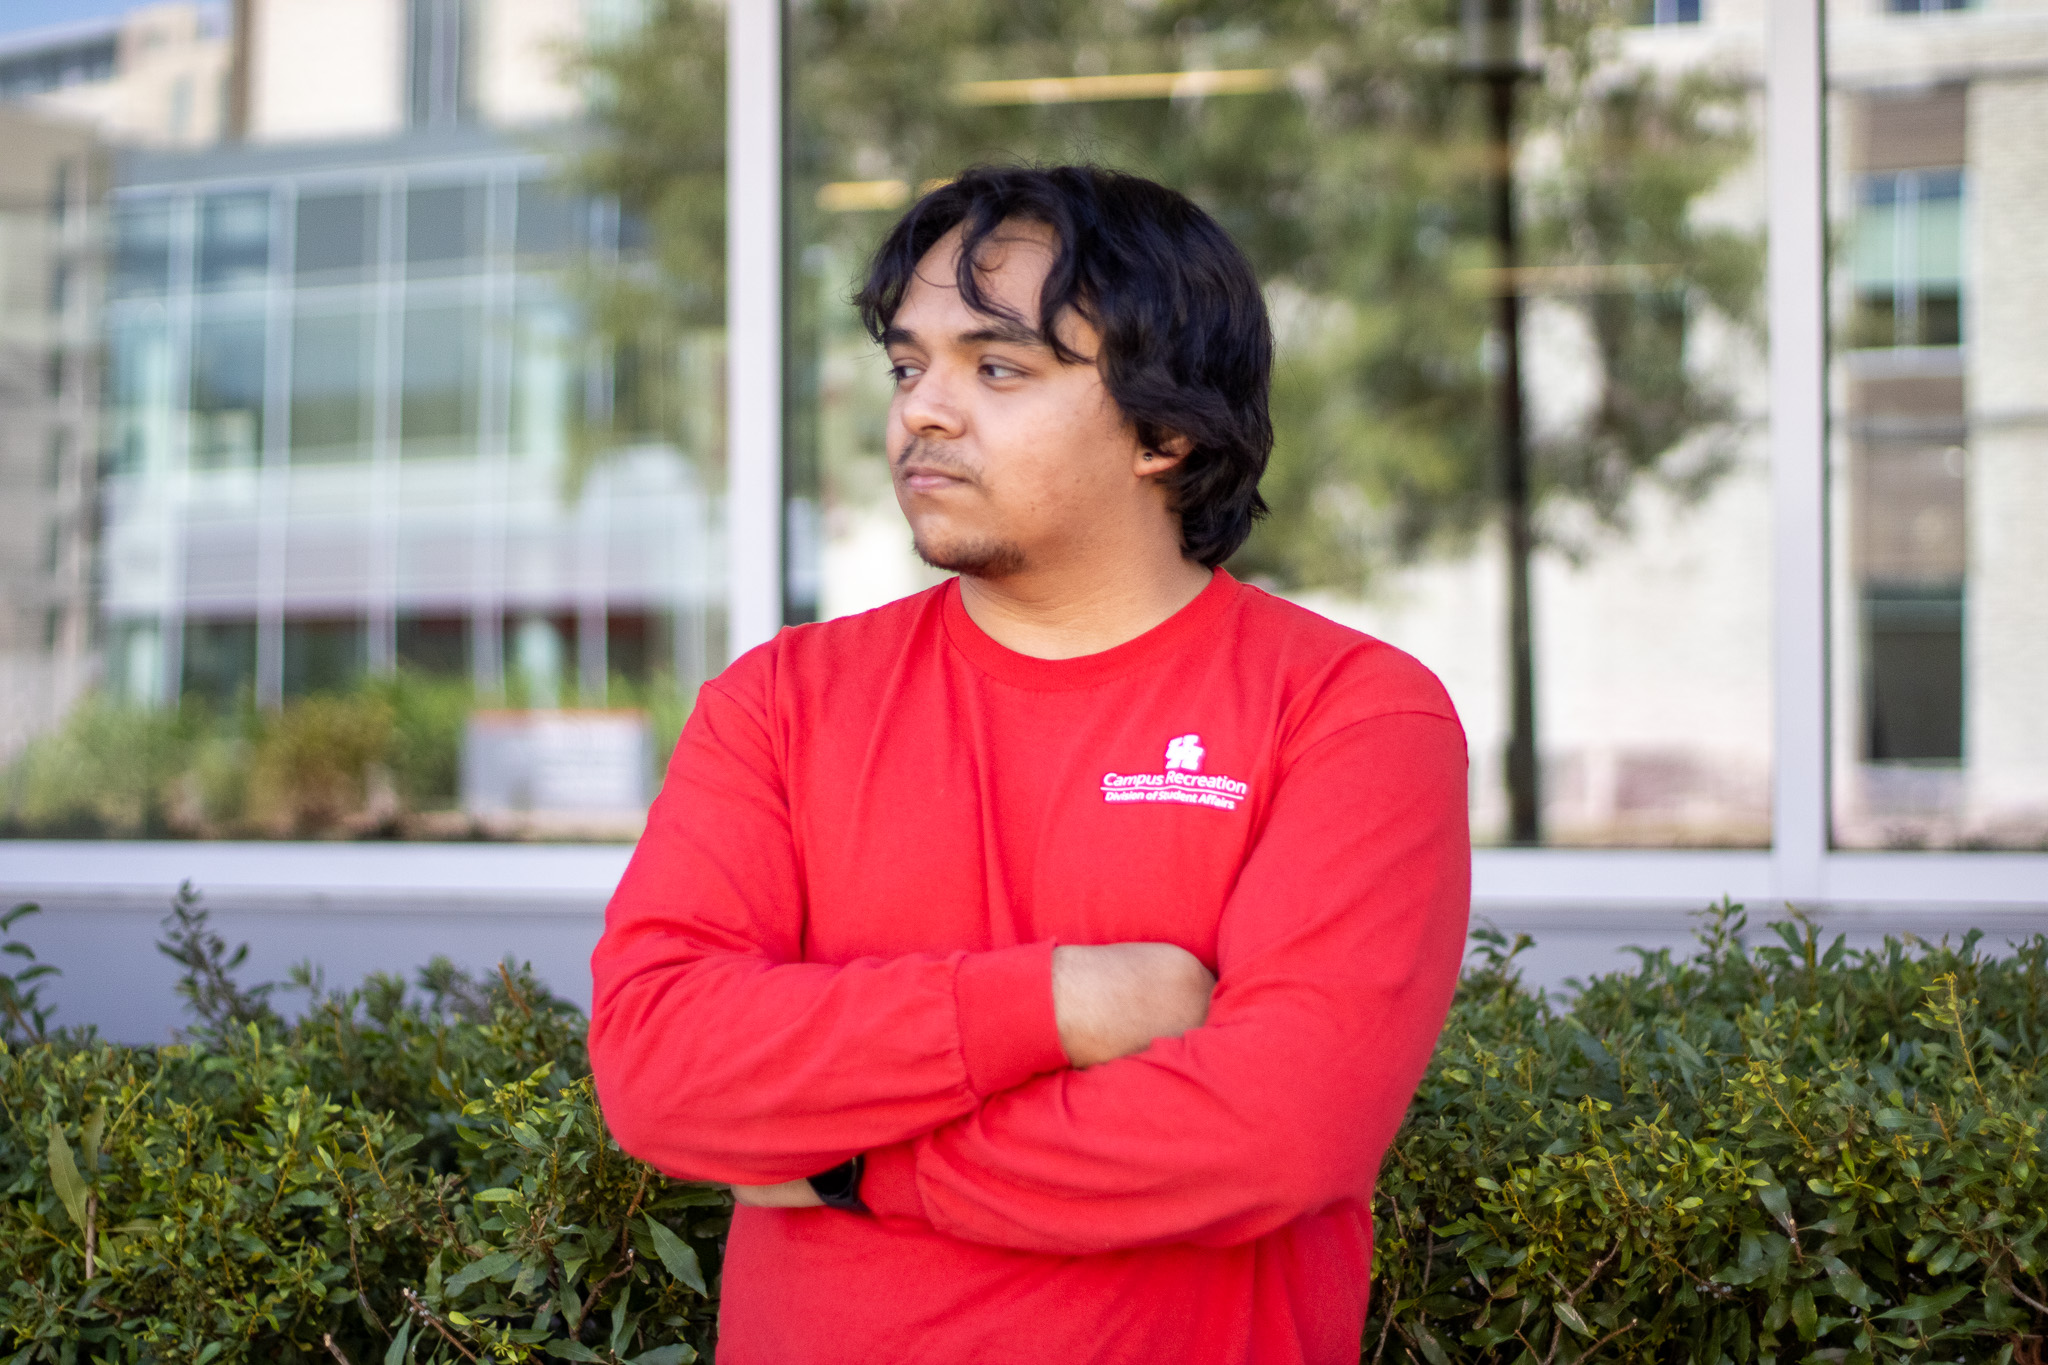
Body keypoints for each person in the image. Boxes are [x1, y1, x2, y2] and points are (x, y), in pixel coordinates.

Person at [589, 164, 1470, 1365]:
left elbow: (1274, 1133)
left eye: (996, 368)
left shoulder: (1349, 714)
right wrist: (1053, 1003)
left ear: (1164, 428)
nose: (920, 413)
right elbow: (658, 1065)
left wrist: (846, 1170)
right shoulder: (780, 703)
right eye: (909, 366)